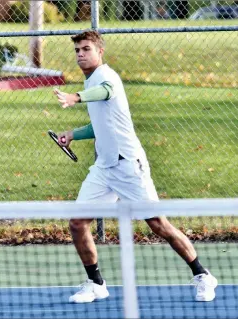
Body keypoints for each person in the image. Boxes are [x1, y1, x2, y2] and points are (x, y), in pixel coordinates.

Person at [53, 30, 217, 304]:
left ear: (99, 52)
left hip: (130, 167)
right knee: (77, 222)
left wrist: (76, 97)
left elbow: (105, 92)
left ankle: (202, 275)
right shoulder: (92, 79)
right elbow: (101, 125)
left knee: (157, 224)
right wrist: (72, 134)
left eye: (86, 49)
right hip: (104, 168)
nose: (80, 54)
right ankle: (96, 283)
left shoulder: (106, 78)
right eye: (77, 50)